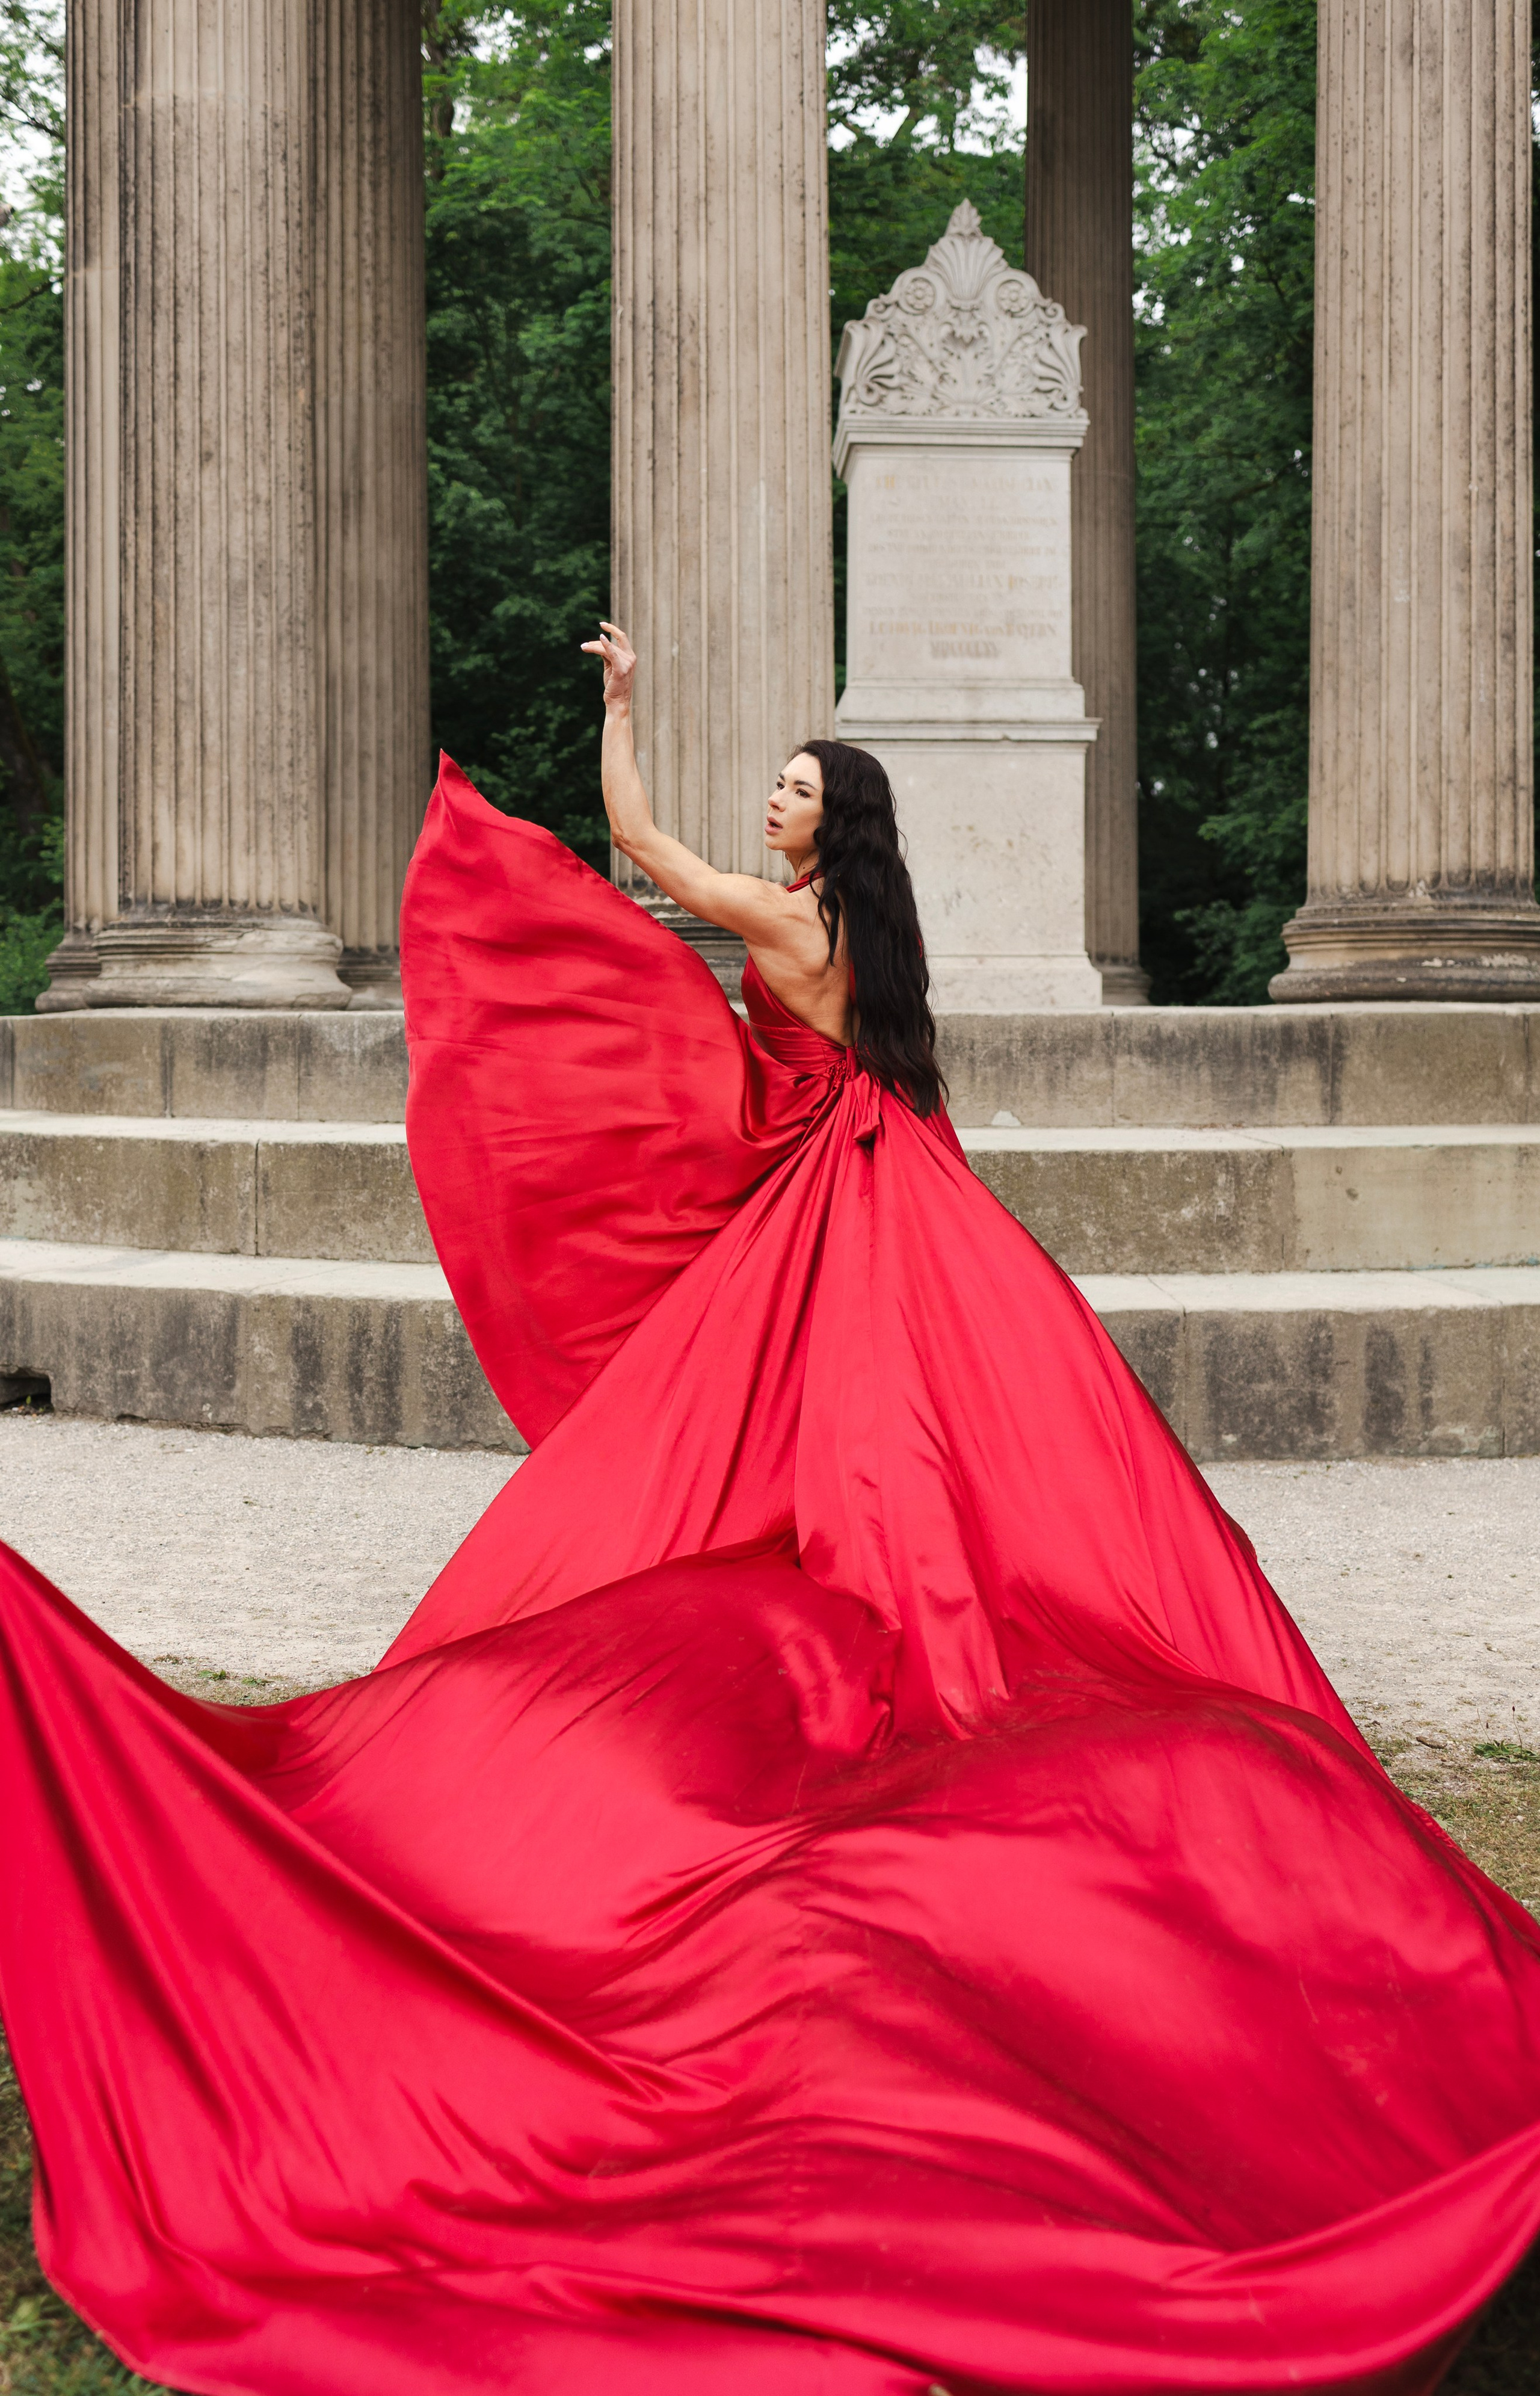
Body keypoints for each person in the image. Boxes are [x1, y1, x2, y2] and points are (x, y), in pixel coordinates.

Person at [1, 625, 1539, 2396]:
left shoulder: (790, 920)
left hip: (841, 1212)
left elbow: (642, 860)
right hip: (892, 1187)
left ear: (829, 835)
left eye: (798, 794)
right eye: (782, 789)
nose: (777, 805)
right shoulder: (867, 942)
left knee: (872, 1469)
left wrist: (619, 714)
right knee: (930, 1460)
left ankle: (878, 1672)